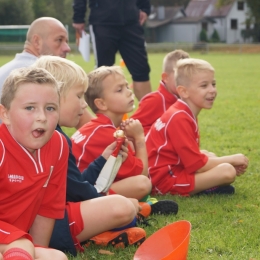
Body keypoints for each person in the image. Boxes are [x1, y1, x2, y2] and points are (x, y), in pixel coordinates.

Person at [33, 56, 146, 256]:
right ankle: (101, 231)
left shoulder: (50, 134)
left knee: (122, 205)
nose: (84, 105)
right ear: (55, 98)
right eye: (78, 96)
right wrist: (113, 203)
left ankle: (108, 228)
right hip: (52, 228)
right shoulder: (54, 139)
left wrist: (102, 160)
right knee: (123, 208)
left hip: (47, 221)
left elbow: (75, 184)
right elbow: (81, 192)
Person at [71, 65, 178, 214]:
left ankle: (136, 207)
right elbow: (141, 175)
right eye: (119, 90)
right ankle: (136, 208)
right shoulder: (107, 134)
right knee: (142, 184)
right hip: (77, 197)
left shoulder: (99, 127)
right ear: (101, 103)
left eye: (127, 86)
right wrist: (139, 138)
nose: (129, 92)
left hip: (80, 188)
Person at [146, 58, 249, 196]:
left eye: (213, 84)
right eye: (204, 85)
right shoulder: (179, 117)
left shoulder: (183, 111)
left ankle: (206, 184)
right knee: (227, 171)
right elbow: (198, 166)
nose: (212, 90)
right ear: (183, 91)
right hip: (163, 181)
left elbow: (193, 158)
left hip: (172, 169)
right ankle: (206, 187)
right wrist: (232, 159)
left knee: (209, 154)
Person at [0, 67, 69, 260]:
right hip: (14, 240)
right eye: (30, 108)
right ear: (5, 114)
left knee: (56, 258)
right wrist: (19, 243)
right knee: (21, 245)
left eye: (50, 108)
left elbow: (48, 206)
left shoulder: (59, 145)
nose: (42, 117)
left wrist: (36, 249)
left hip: (17, 242)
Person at [0, 16, 93, 125]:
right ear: (37, 41)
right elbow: (87, 124)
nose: (67, 48)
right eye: (59, 40)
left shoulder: (6, 69)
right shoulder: (39, 73)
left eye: (66, 42)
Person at [72, 0, 152, 101]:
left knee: (141, 71)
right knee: (103, 72)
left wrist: (145, 8)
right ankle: (104, 115)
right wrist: (78, 17)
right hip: (102, 21)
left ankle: (149, 113)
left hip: (131, 21)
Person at [131, 50, 190, 135]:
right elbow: (128, 128)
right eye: (179, 75)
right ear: (165, 77)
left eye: (188, 76)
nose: (185, 80)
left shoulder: (187, 99)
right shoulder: (154, 100)